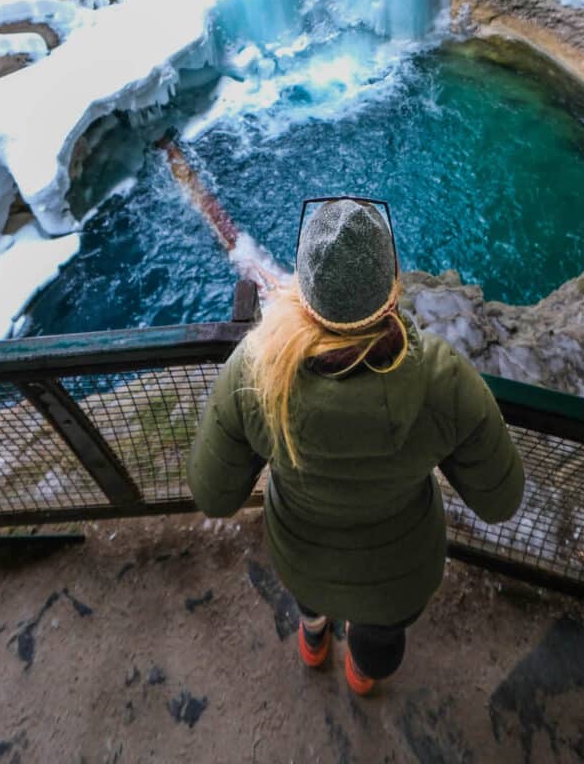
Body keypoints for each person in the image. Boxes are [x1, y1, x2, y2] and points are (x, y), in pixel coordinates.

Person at [186, 197, 525, 694]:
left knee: (311, 599)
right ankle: (363, 680)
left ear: (305, 295)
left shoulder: (257, 370)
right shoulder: (441, 378)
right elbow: (500, 502)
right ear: (392, 294)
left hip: (301, 556)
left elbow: (214, 496)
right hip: (399, 572)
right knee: (381, 637)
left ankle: (314, 637)